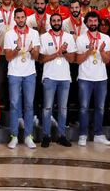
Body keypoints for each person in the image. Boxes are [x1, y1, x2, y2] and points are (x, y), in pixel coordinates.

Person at [4, 8, 40, 149]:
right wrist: (17, 48)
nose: (20, 20)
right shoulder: (9, 34)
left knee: (29, 105)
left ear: (26, 18)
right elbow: (7, 57)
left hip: (30, 73)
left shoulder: (34, 33)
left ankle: (28, 136)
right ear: (14, 19)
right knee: (14, 105)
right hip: (14, 73)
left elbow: (37, 57)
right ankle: (14, 136)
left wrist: (31, 50)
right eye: (18, 17)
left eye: (22, 17)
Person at [39, 14, 76, 148]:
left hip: (65, 77)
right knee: (47, 108)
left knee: (63, 109)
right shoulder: (44, 37)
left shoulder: (68, 37)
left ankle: (61, 136)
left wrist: (64, 52)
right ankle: (46, 136)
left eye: (58, 20)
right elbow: (41, 59)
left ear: (61, 22)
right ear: (50, 23)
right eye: (53, 21)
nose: (56, 22)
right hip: (49, 77)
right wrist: (57, 53)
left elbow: (72, 59)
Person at [76, 11, 110, 147]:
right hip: (85, 77)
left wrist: (102, 52)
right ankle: (83, 134)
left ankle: (98, 134)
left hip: (101, 78)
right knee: (84, 107)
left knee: (100, 107)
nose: (93, 24)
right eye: (90, 21)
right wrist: (88, 52)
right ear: (86, 23)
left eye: (95, 21)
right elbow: (78, 60)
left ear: (98, 22)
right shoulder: (81, 39)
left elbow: (107, 60)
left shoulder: (105, 38)